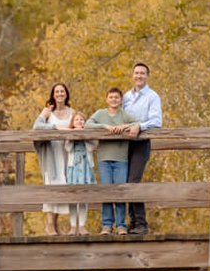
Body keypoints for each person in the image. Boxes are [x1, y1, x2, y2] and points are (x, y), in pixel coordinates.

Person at [31, 83, 83, 235]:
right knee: (52, 184)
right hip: (52, 153)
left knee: (63, 185)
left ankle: (55, 224)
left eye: (62, 91)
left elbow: (78, 127)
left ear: (66, 94)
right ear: (53, 95)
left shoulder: (72, 112)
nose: (60, 94)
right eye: (57, 92)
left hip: (67, 152)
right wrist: (55, 128)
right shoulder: (48, 111)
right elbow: (36, 127)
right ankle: (49, 225)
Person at [87, 88, 139, 235]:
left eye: (116, 97)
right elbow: (87, 124)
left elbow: (137, 122)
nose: (114, 99)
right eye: (111, 97)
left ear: (121, 100)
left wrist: (125, 126)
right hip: (104, 159)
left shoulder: (124, 114)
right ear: (106, 99)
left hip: (121, 159)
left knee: (120, 192)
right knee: (107, 191)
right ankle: (107, 225)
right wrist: (105, 126)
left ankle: (121, 225)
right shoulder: (100, 114)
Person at [119, 62, 162, 235]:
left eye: (142, 73)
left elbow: (156, 121)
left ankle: (142, 223)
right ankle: (132, 223)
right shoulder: (126, 97)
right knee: (124, 181)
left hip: (141, 142)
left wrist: (139, 125)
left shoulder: (152, 97)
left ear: (147, 76)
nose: (139, 76)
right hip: (124, 143)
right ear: (132, 75)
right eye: (136, 73)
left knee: (133, 182)